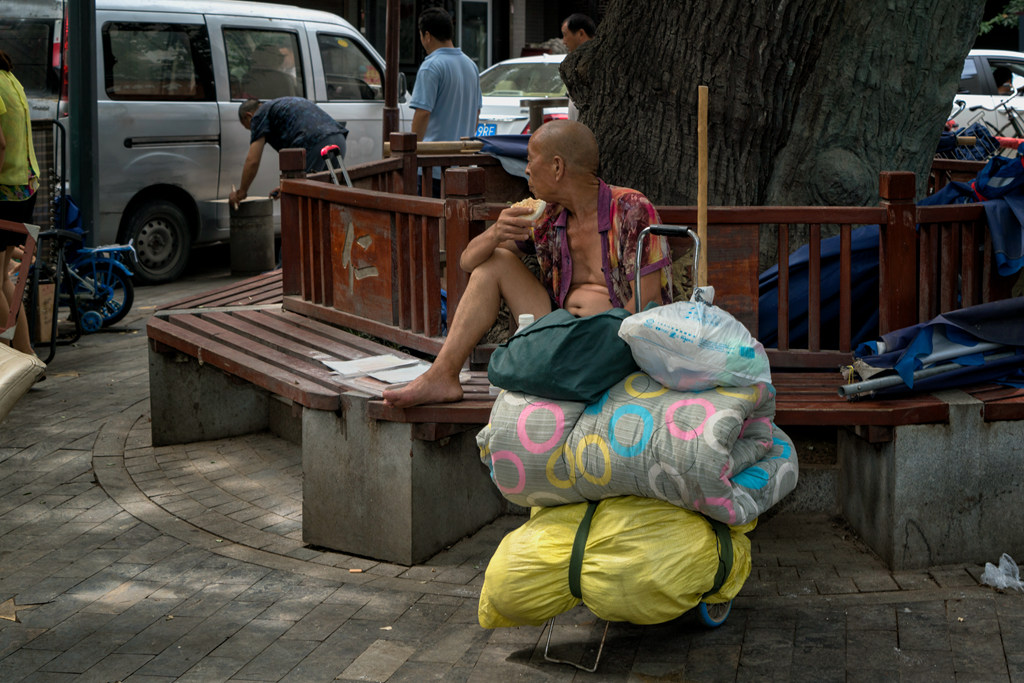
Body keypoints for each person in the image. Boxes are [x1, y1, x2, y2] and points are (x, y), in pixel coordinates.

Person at [382, 120, 672, 408]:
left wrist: (595, 349)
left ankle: (546, 365)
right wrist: (495, 232)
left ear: (557, 167)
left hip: (613, 338)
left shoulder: (631, 209)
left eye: (531, 160)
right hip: (558, 330)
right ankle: (443, 375)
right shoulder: (545, 216)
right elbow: (468, 261)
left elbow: (646, 304)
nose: (527, 170)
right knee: (494, 262)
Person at [229, 97, 348, 206]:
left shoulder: (259, 115)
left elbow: (252, 160)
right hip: (338, 140)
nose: (253, 131)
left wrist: (242, 192)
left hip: (315, 144)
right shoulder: (280, 105)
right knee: (325, 198)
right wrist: (287, 186)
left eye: (249, 127)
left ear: (248, 116)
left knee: (304, 203)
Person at [0, 49, 40, 358]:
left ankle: (8, 364)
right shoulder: (9, 78)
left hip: (5, 190)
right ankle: (26, 356)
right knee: (3, 279)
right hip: (25, 186)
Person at [410, 7, 481, 145]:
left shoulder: (430, 67)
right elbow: (476, 112)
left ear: (427, 36)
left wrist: (412, 149)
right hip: (462, 159)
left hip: (434, 160)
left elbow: (423, 113)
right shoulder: (471, 66)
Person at [560, 13, 597, 121]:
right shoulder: (573, 62)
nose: (564, 41)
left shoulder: (596, 61)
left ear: (580, 34)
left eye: (565, 34)